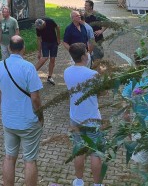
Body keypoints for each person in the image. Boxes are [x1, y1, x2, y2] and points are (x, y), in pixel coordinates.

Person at [0, 35, 44, 186]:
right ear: (24, 48)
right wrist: (40, 116)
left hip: (9, 121)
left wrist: (4, 108)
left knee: (9, 157)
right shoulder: (29, 67)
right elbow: (35, 98)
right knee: (29, 160)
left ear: (9, 48)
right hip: (28, 122)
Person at [64, 43, 104, 186]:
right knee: (95, 152)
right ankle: (97, 184)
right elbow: (101, 92)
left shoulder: (66, 72)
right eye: (87, 53)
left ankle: (79, 180)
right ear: (83, 56)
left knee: (79, 149)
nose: (88, 55)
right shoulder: (93, 74)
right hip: (92, 118)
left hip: (75, 117)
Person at [34, 17, 60, 85]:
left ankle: (50, 77)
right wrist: (39, 52)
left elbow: (58, 27)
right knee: (45, 57)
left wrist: (58, 38)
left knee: (52, 59)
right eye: (39, 28)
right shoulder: (38, 27)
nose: (40, 29)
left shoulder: (50, 21)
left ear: (44, 24)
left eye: (41, 28)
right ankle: (32, 72)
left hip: (54, 42)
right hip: (45, 43)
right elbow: (39, 40)